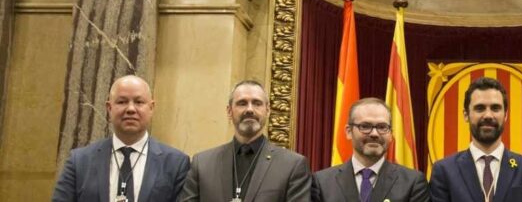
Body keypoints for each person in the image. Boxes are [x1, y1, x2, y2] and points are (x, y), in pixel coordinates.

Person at [52, 75, 190, 202]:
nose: (130, 109)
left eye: (139, 102)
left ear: (151, 108)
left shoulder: (176, 163)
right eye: (122, 102)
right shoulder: (79, 161)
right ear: (109, 107)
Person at [179, 80, 312, 202]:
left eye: (257, 103)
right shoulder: (202, 164)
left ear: (268, 111)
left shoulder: (292, 166)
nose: (249, 109)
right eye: (242, 103)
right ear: (229, 111)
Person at [430, 77, 522, 202]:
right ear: (466, 115)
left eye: (495, 108)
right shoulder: (444, 171)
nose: (488, 115)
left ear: (505, 115)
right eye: (480, 108)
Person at [312, 97, 429, 202]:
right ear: (348, 132)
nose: (374, 133)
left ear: (391, 134)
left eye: (382, 127)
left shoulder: (412, 182)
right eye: (365, 126)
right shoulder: (322, 182)